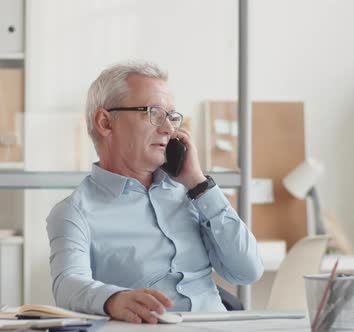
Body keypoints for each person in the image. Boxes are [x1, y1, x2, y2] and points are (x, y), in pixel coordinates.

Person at [46, 60, 263, 324]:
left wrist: (199, 184)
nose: (169, 128)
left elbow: (248, 270)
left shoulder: (192, 194)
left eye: (171, 117)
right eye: (154, 113)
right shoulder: (74, 212)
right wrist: (113, 300)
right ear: (105, 122)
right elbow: (68, 284)